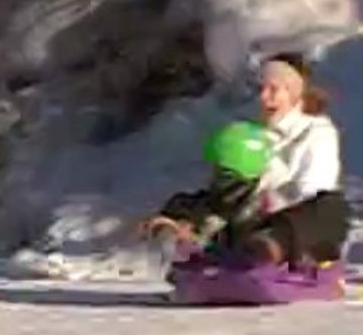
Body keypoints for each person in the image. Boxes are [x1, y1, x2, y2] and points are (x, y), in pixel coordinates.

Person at [144, 52, 350, 267]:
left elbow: (313, 188)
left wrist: (267, 194)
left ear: (293, 94)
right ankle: (179, 234)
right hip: (252, 219)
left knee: (331, 207)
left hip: (293, 224)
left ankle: (266, 248)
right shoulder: (254, 132)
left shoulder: (318, 132)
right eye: (261, 89)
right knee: (198, 199)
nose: (264, 97)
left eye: (273, 90)